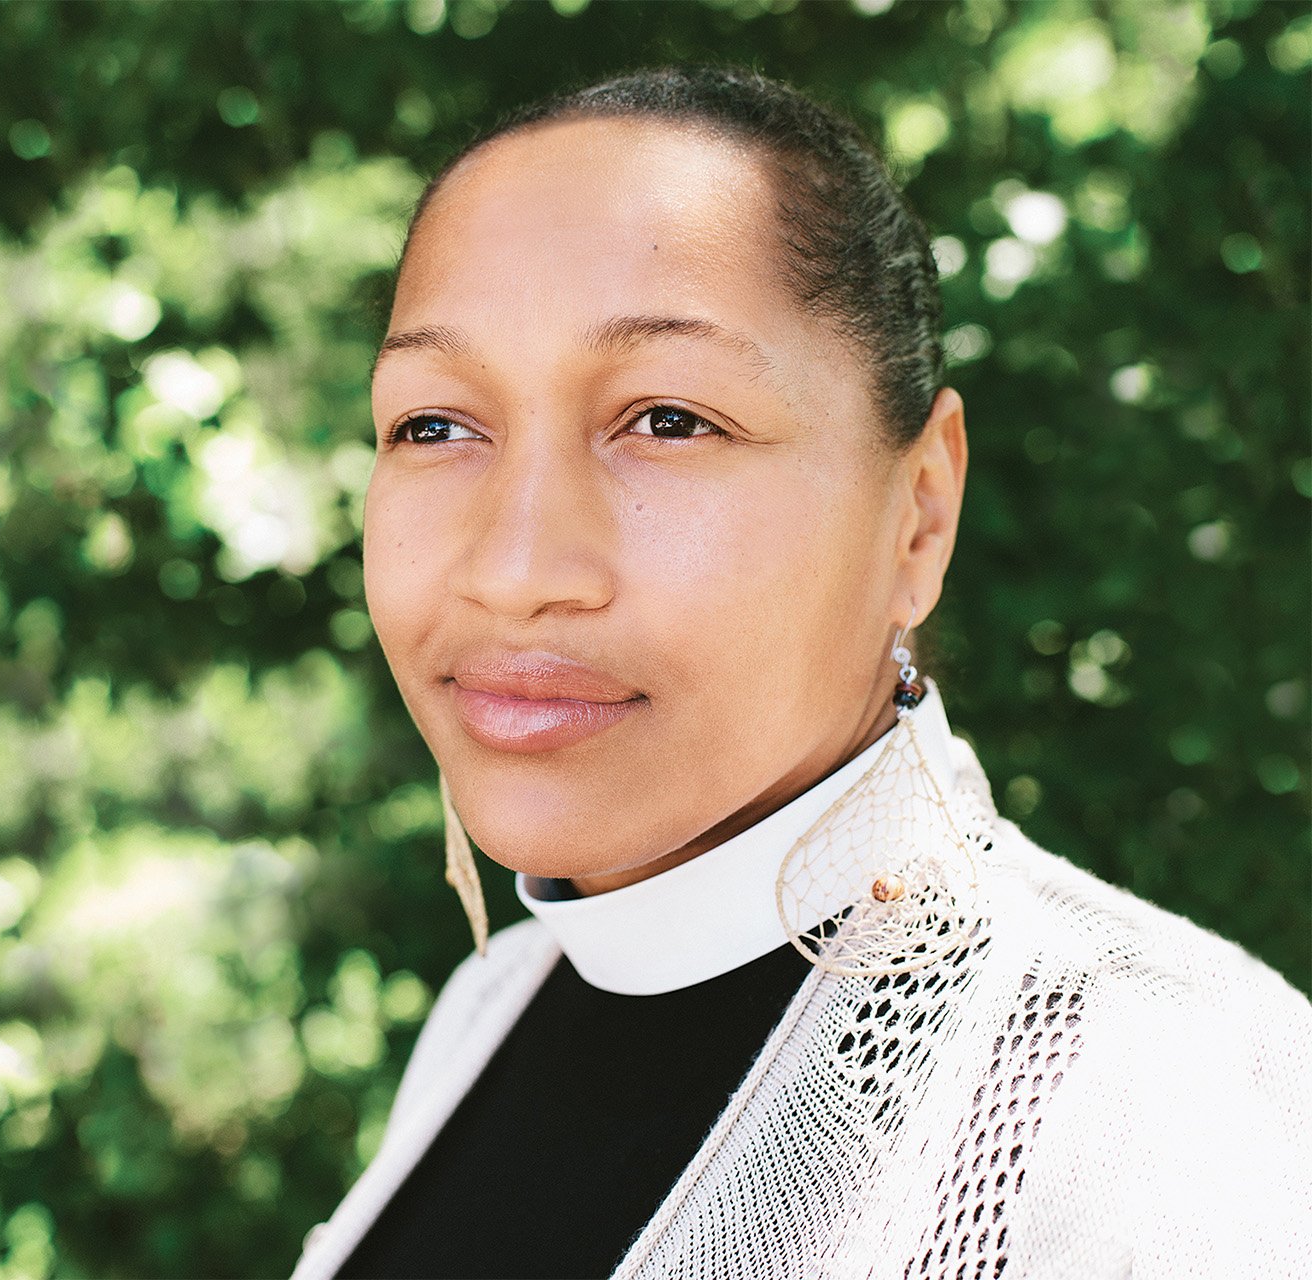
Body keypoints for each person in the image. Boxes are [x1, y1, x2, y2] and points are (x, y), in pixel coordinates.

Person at [289, 64, 1311, 1280]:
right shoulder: (490, 1009)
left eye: (669, 418)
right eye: (435, 425)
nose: (514, 568)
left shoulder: (1166, 1100)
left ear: (919, 515)